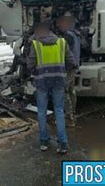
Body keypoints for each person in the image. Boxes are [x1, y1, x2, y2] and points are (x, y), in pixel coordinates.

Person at [27, 20, 77, 154]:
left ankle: (44, 142)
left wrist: (35, 72)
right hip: (58, 81)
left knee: (42, 111)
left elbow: (30, 65)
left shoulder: (36, 45)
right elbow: (72, 62)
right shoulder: (61, 42)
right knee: (59, 111)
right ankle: (63, 144)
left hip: (42, 82)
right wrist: (63, 72)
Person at [57, 12, 81, 127]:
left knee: (64, 90)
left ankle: (68, 117)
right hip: (74, 65)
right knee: (71, 90)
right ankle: (73, 113)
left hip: (68, 67)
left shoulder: (68, 36)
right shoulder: (76, 35)